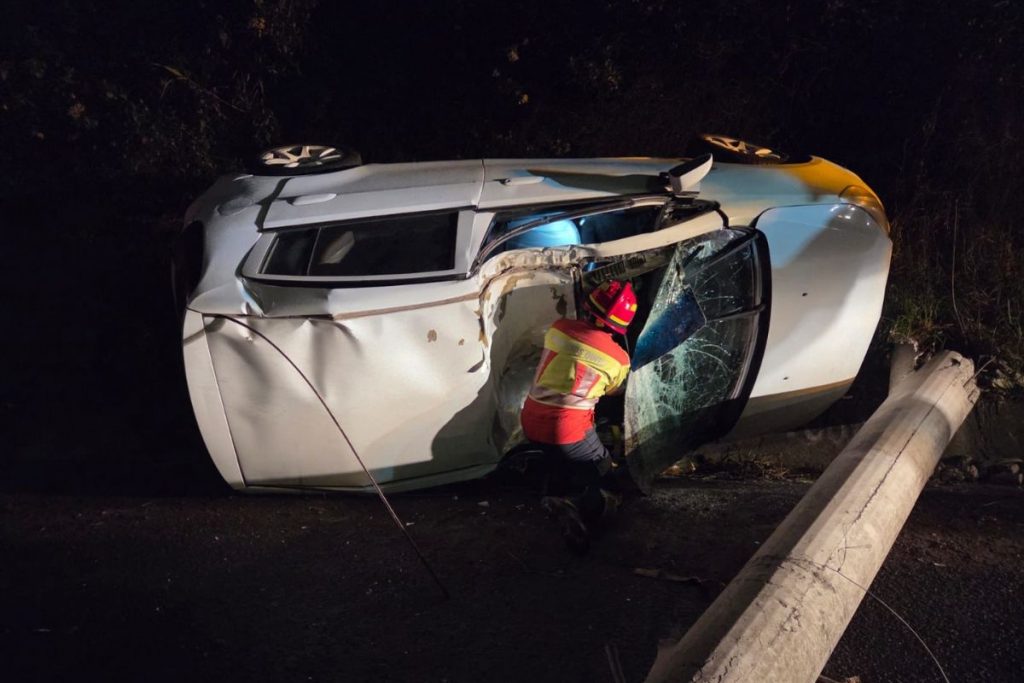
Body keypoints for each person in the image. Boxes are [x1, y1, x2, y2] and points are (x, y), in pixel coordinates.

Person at [520, 280, 637, 553]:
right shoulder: (620, 360)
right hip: (567, 429)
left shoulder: (559, 328)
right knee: (605, 472)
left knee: (557, 460)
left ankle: (555, 495)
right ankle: (581, 511)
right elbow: (611, 391)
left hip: (530, 419)